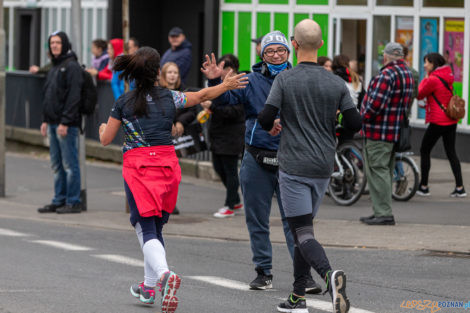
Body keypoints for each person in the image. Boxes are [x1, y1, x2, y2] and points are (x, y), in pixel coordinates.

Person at [98, 47, 247, 312]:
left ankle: (165, 275)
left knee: (144, 227)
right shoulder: (170, 97)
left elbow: (106, 139)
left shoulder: (123, 102)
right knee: (154, 227)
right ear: (157, 72)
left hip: (139, 166)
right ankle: (147, 287)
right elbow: (201, 95)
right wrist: (224, 85)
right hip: (167, 165)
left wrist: (101, 129)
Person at [202, 30, 322, 294]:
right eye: (270, 51)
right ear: (262, 55)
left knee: (297, 223)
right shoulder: (250, 80)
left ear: (289, 52)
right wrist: (216, 82)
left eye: (280, 50)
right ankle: (263, 272)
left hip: (292, 160)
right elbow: (225, 100)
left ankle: (304, 278)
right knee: (257, 220)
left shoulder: (297, 78)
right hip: (256, 158)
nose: (276, 55)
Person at [258, 19, 360, 313]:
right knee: (305, 230)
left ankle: (330, 277)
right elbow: (354, 122)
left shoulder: (285, 80)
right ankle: (297, 296)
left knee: (301, 232)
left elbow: (265, 117)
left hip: (293, 166)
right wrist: (336, 135)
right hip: (323, 166)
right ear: (322, 45)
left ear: (294, 44)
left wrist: (276, 124)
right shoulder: (336, 82)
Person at [359, 42, 414, 226]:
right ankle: (380, 211)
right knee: (385, 171)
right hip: (394, 130)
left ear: (385, 57)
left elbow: (375, 106)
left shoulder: (386, 75)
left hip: (378, 131)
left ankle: (383, 213)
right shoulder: (407, 74)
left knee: (377, 171)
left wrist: (361, 117)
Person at [37, 31, 83, 214]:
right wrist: (45, 120)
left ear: (65, 44)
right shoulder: (54, 67)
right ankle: (59, 199)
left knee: (70, 165)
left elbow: (73, 97)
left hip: (67, 125)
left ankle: (73, 201)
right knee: (57, 165)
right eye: (52, 43)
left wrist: (65, 122)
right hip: (53, 122)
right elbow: (49, 96)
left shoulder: (71, 66)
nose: (54, 46)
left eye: (57, 42)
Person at [416, 53, 466, 197]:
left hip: (438, 121)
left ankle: (424, 187)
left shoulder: (432, 79)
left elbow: (419, 94)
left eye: (426, 63)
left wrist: (425, 78)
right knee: (451, 153)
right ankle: (460, 187)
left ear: (433, 64)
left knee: (424, 150)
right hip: (451, 121)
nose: (425, 65)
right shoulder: (448, 75)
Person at [201, 54, 245, 218]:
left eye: (222, 67)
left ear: (230, 69)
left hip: (232, 134)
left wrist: (212, 106)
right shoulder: (219, 84)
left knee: (231, 170)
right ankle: (235, 199)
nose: (218, 70)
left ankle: (230, 205)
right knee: (219, 168)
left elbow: (236, 112)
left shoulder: (240, 84)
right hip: (218, 134)